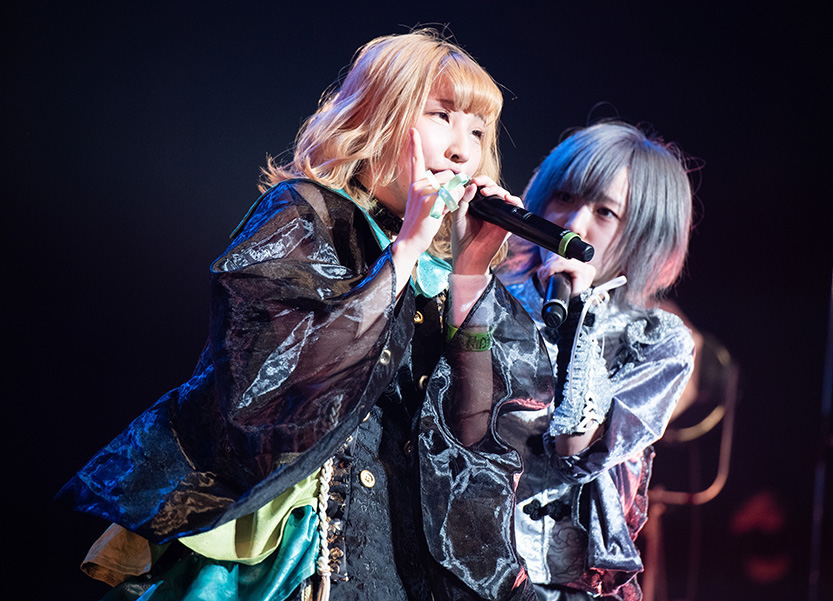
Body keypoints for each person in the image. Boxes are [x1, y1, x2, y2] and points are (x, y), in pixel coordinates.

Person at [58, 30, 554, 601]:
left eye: (478, 131)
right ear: (378, 117)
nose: (464, 150)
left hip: (400, 562)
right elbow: (275, 383)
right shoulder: (304, 213)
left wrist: (468, 276)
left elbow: (473, 442)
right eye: (442, 115)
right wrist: (403, 252)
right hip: (307, 553)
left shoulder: (443, 279)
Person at [498, 122, 695, 600]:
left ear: (646, 236)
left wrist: (580, 316)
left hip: (567, 585)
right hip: (467, 563)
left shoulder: (658, 341)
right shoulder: (489, 297)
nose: (574, 224)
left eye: (605, 212)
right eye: (564, 197)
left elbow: (574, 450)